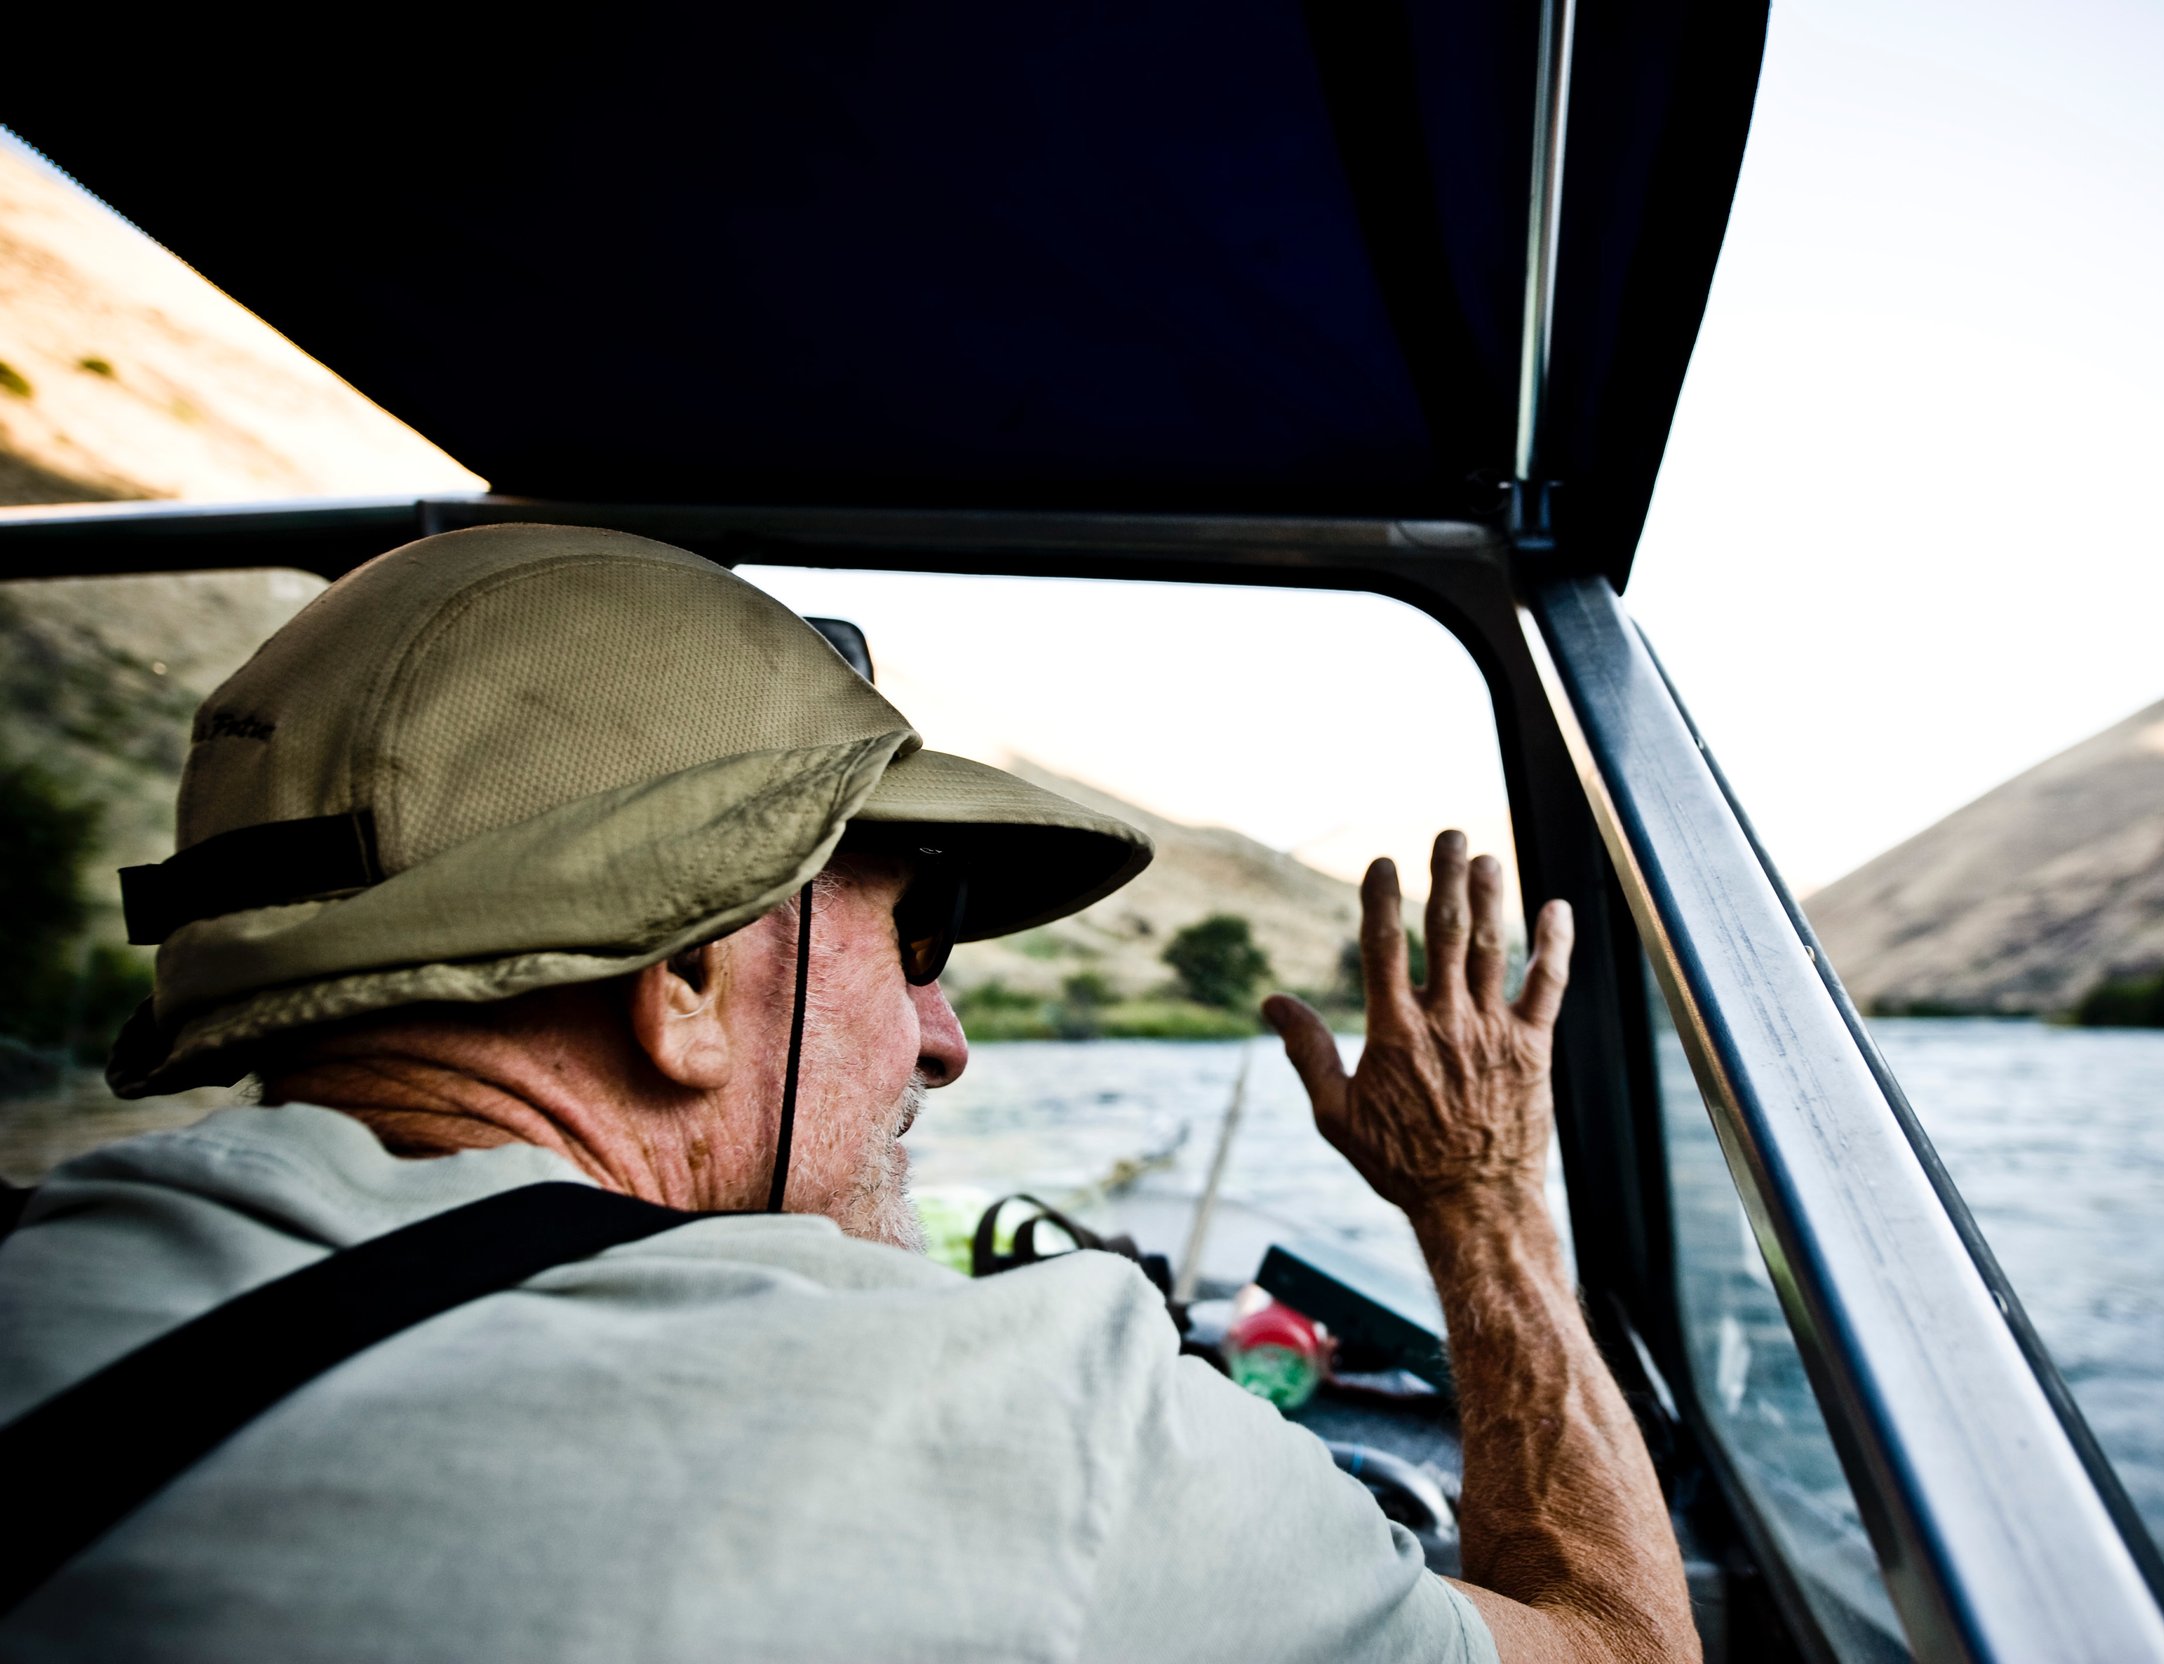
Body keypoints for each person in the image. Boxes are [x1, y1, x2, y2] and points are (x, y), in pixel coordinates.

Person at [0, 524, 1698, 1662]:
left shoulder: (41, 1276)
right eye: (919, 934)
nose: (945, 1042)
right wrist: (1479, 1198)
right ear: (679, 983)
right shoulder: (1030, 1409)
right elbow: (1624, 1647)